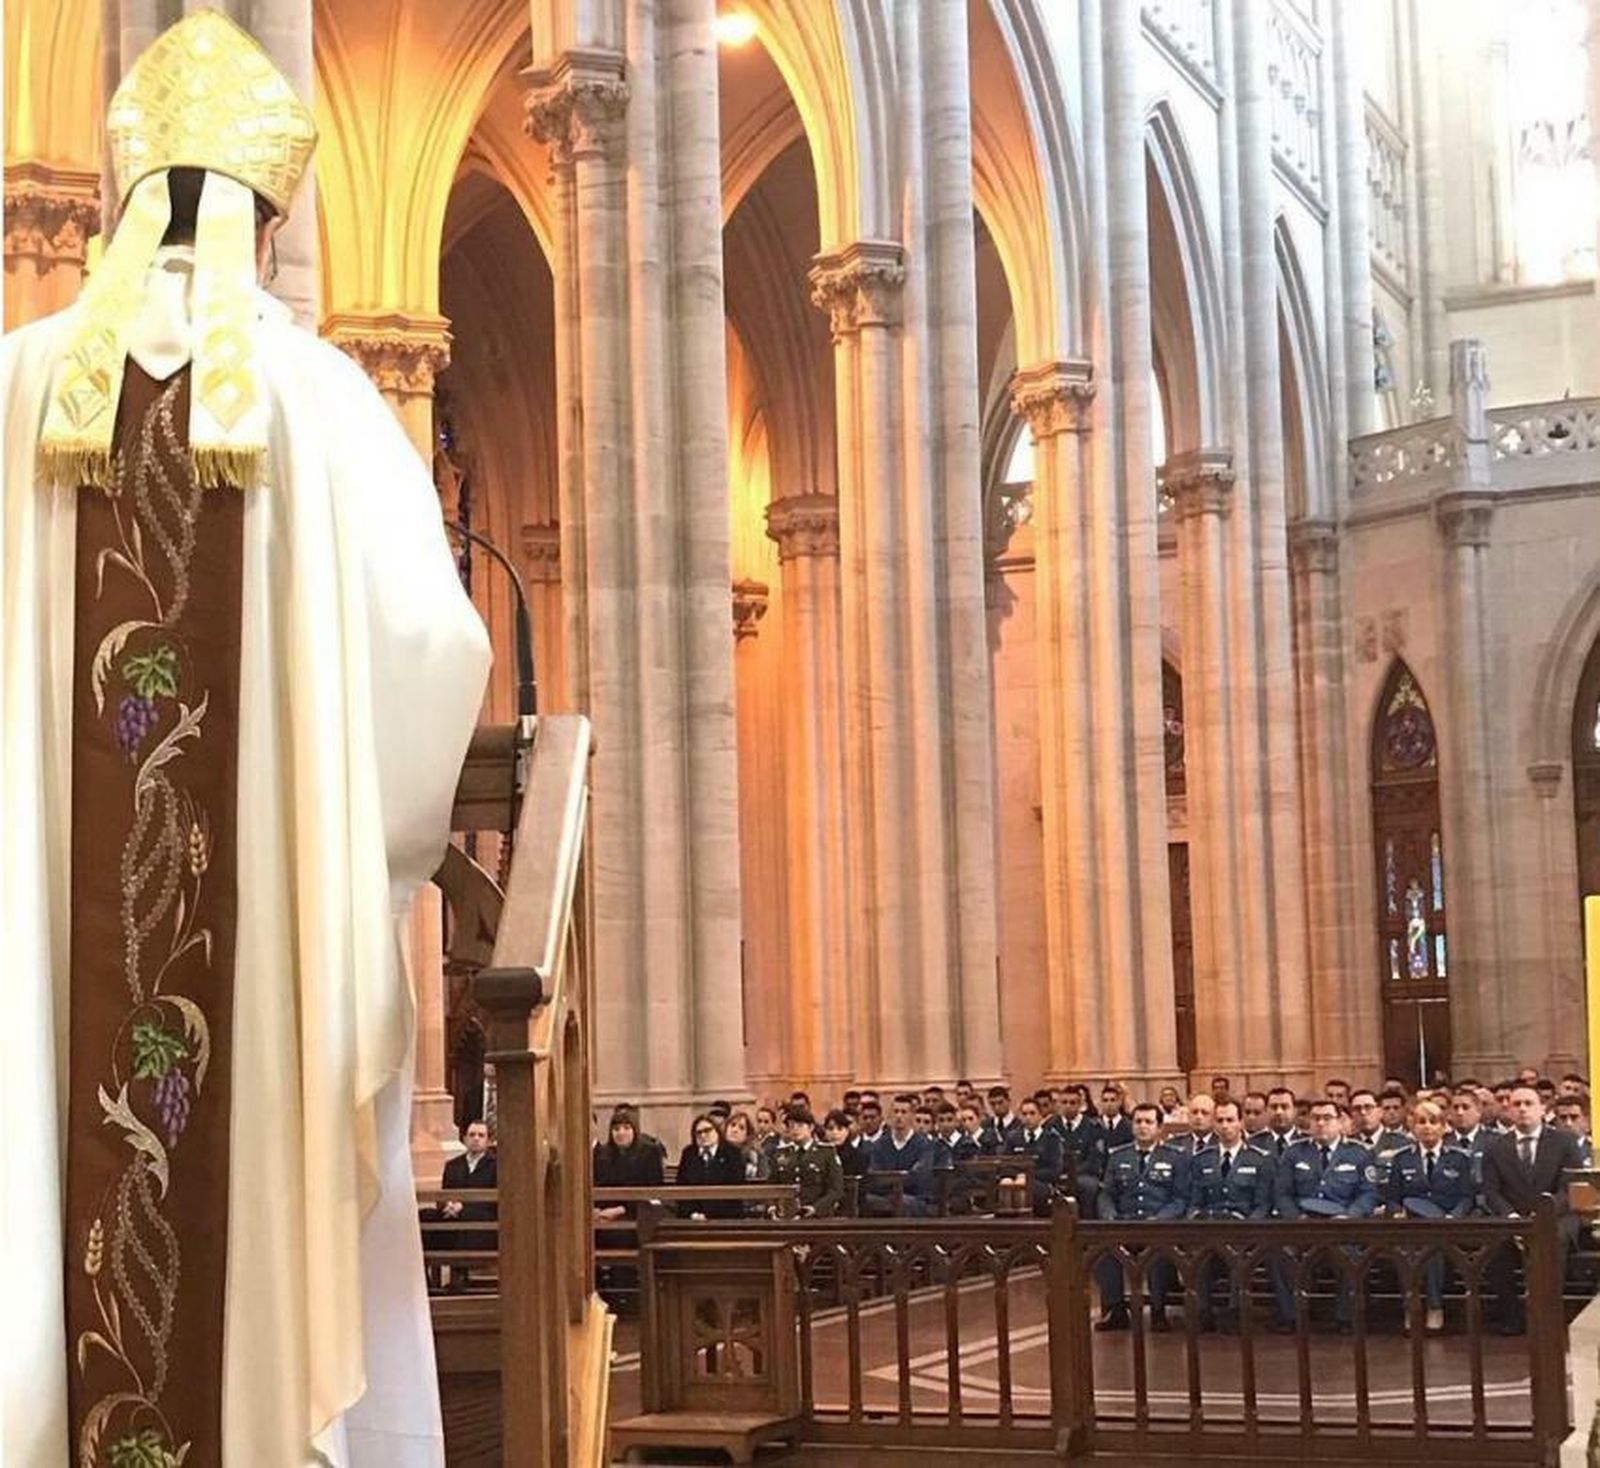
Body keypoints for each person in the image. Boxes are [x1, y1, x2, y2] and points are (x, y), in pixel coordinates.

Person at [2, 15, 493, 1465]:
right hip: (261, 985)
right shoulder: (327, 403)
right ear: (270, 210)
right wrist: (354, 858)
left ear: (123, 197)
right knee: (255, 1235)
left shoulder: (15, 392)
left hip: (39, 961)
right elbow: (435, 658)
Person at [1481, 1082, 1585, 1333]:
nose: (1522, 1109)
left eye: (1528, 1104)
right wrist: (1513, 1218)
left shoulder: (1565, 1142)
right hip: (1513, 1217)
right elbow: (1491, 1192)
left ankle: (1547, 1315)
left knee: (1552, 1239)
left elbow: (1571, 1187)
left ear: (1542, 1109)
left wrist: (1543, 1214)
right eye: (1516, 1104)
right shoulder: (1495, 1147)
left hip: (1557, 1215)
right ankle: (1512, 1315)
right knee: (1494, 1246)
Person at [1270, 1100, 1376, 1332]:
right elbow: (1282, 1194)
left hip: (1342, 1227)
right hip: (1303, 1226)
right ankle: (1291, 1317)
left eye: (1327, 1118)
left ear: (1340, 1121)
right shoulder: (1294, 1152)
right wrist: (1297, 1218)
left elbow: (1368, 1195)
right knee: (1281, 1254)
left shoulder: (1359, 1153)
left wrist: (1349, 1217)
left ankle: (1346, 1319)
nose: (1320, 1123)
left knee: (1352, 1256)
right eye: (1315, 1118)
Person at [1095, 1104, 1190, 1332]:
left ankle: (1158, 1311)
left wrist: (1161, 1219)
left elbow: (1180, 1199)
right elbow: (1106, 1193)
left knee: (1157, 1251)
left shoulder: (1175, 1157)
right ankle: (1115, 1310)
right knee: (1104, 1251)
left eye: (1148, 1122)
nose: (1142, 1127)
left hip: (1157, 1225)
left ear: (1159, 1128)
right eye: (1138, 1122)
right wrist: (1110, 1216)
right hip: (1124, 1224)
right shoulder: (1118, 1155)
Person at [1385, 1101, 1475, 1333]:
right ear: (1412, 1127)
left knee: (1432, 1249)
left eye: (1433, 1122)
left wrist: (1453, 1217)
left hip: (1445, 1225)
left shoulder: (1459, 1158)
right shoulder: (1401, 1158)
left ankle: (1435, 1307)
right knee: (1406, 1251)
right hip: (1411, 1226)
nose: (1427, 1127)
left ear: (1444, 1126)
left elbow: (1467, 1197)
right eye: (1421, 1122)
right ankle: (1411, 1307)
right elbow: (1393, 1198)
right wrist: (1396, 1213)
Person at [1188, 1100, 1275, 1330]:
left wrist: (1248, 1228)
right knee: (1201, 1254)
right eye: (1220, 1121)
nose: (1225, 1126)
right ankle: (1201, 1313)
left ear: (1240, 1123)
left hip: (1244, 1230)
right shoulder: (1202, 1159)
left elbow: (1263, 1204)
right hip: (1210, 1227)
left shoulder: (1260, 1158)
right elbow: (1195, 1201)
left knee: (1238, 1255)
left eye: (1230, 1120)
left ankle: (1236, 1313)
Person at [435, 1121, 500, 1292]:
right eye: (472, 1135)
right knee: (426, 1216)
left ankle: (459, 1275)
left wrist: (462, 1207)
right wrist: (447, 1205)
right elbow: (443, 1195)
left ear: (488, 1140)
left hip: (483, 1219)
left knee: (466, 1219)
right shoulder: (452, 1166)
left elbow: (493, 1200)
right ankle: (426, 1279)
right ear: (464, 1139)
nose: (476, 1139)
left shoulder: (496, 1165)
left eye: (481, 1135)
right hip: (453, 1216)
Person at [866, 1094, 938, 1216]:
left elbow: (919, 1176)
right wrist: (895, 1183)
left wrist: (894, 1182)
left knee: (902, 1202)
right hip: (886, 1195)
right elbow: (875, 1175)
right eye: (896, 1112)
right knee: (864, 1199)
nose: (899, 1116)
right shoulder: (879, 1145)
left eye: (904, 1112)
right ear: (890, 1115)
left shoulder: (925, 1145)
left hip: (915, 1197)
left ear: (912, 1116)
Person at [772, 1108, 844, 1218]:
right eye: (791, 1126)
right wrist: (772, 1207)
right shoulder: (781, 1153)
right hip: (786, 1215)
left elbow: (836, 1189)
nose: (795, 1130)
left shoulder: (826, 1153)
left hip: (817, 1216)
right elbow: (771, 1184)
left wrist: (816, 1208)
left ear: (811, 1127)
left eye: (800, 1126)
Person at [676, 1115, 747, 1219]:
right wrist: (692, 1213)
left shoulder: (732, 1154)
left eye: (707, 1130)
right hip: (693, 1217)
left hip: (727, 1218)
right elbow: (681, 1187)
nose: (703, 1135)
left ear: (717, 1131)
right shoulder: (689, 1154)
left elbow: (735, 1189)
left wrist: (710, 1215)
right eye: (698, 1133)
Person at [1004, 1096, 1065, 1214]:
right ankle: (1007, 1223)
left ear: (1040, 1115)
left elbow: (1055, 1170)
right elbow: (1006, 1164)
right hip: (1016, 1179)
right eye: (1024, 1114)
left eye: (1032, 1113)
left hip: (1042, 1182)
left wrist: (1028, 1176)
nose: (1028, 1117)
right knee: (1005, 1183)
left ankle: (1024, 1223)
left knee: (1022, 1185)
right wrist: (1014, 1176)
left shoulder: (1051, 1138)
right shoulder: (1013, 1137)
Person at [1250, 1087, 1304, 1159]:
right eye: (1274, 1107)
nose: (1279, 1112)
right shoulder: (1254, 1145)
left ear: (1294, 1111)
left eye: (1284, 1107)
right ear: (1266, 1111)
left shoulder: (1307, 1143)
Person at [1554, 1097, 1593, 1165]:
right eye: (1563, 1118)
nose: (1568, 1123)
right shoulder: (1545, 1150)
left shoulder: (1594, 1149)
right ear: (1556, 1121)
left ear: (1586, 1121)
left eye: (1574, 1117)